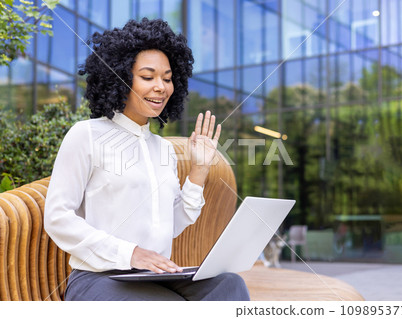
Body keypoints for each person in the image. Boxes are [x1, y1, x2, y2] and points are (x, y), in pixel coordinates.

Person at [44, 18, 250, 301]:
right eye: (148, 76)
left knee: (229, 284)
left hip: (155, 277)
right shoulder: (86, 135)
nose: (161, 87)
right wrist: (131, 254)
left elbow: (171, 223)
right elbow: (57, 218)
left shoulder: (161, 148)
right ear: (120, 77)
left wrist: (200, 169)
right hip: (101, 279)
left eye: (167, 79)